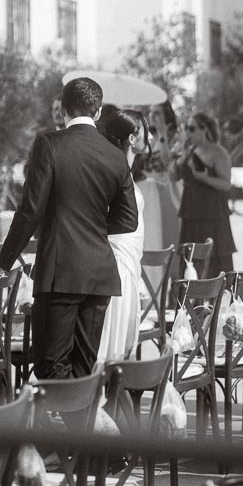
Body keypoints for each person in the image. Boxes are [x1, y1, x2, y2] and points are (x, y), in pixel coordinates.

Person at [0, 77, 138, 379]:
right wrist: (92, 224)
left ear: (63, 110)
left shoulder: (49, 144)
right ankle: (89, 423)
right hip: (100, 275)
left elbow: (30, 211)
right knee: (82, 369)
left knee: (50, 367)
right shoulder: (116, 156)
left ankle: (93, 427)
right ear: (99, 112)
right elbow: (128, 220)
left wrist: (3, 262)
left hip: (60, 273)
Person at [96, 108, 149, 364]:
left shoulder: (124, 172)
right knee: (113, 340)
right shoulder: (114, 174)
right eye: (144, 131)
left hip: (130, 261)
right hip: (117, 263)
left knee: (125, 339)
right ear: (132, 138)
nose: (147, 137)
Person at [168, 111, 236, 277]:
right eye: (186, 128)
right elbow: (173, 176)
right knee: (190, 259)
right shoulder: (189, 150)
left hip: (212, 214)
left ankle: (217, 297)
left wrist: (205, 178)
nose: (188, 133)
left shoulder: (218, 152)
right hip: (191, 212)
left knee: (216, 260)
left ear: (204, 129)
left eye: (191, 128)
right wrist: (173, 158)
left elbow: (226, 184)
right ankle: (192, 299)